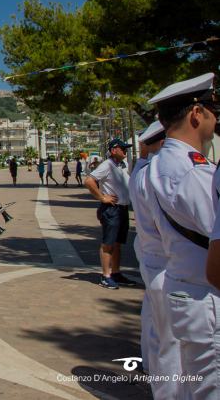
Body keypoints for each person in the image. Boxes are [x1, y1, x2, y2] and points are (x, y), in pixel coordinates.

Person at [145, 72, 219, 398]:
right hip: (206, 295)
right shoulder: (193, 170)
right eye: (212, 109)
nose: (216, 117)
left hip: (184, 286)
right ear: (195, 113)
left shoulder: (159, 164)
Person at [128, 120, 179, 397]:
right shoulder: (159, 172)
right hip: (166, 258)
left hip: (152, 254)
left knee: (156, 324)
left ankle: (151, 368)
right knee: (172, 340)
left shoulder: (142, 170)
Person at [85, 137, 133, 289]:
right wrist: (102, 197)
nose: (125, 150)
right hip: (112, 209)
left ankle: (116, 273)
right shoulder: (107, 165)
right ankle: (105, 276)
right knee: (108, 244)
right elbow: (89, 181)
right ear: (114, 150)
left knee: (118, 244)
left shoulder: (122, 165)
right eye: (123, 148)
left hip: (122, 209)